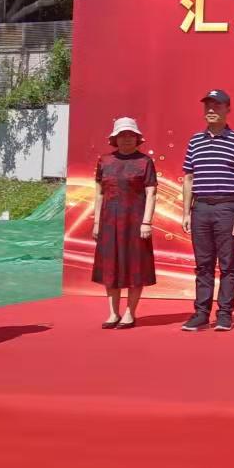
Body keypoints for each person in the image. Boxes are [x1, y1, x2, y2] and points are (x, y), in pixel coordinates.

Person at [180, 89, 234, 333]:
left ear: (227, 109)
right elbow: (189, 178)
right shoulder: (195, 141)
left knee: (228, 263)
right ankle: (201, 314)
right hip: (200, 207)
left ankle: (224, 314)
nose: (211, 110)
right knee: (203, 264)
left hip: (227, 207)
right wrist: (186, 212)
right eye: (208, 106)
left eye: (217, 106)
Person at [91, 117, 158, 330]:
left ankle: (130, 312)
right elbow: (99, 193)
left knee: (135, 267)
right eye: (122, 135)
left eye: (130, 135)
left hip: (135, 222)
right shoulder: (104, 161)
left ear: (137, 138)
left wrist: (146, 222)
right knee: (111, 267)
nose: (126, 138)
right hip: (109, 221)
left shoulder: (145, 162)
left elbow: (151, 193)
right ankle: (113, 313)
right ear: (115, 139)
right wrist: (96, 222)